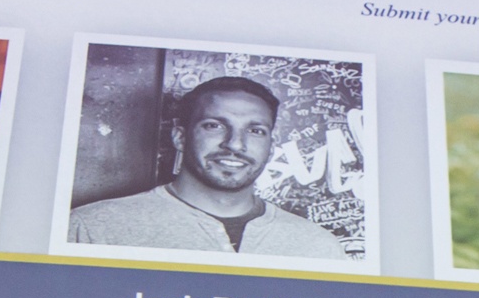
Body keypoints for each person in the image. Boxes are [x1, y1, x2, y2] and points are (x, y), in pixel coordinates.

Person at [68, 75, 348, 259]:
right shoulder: (93, 230)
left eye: (255, 131)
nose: (235, 144)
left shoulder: (319, 248)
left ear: (271, 146)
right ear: (180, 137)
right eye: (214, 126)